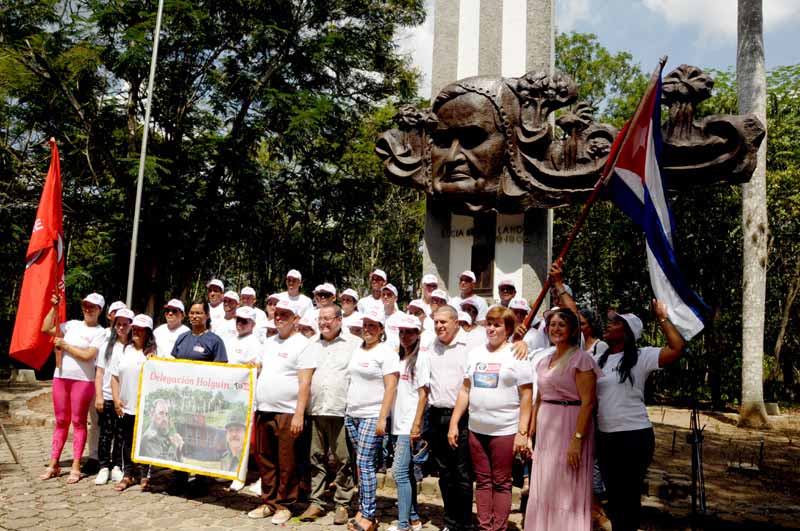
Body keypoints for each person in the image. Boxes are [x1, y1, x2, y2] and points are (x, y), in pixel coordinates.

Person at [595, 302, 685, 531]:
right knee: (614, 498)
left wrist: (663, 318)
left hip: (634, 437)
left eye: (616, 323)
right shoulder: (599, 360)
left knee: (629, 498)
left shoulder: (642, 356)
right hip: (606, 437)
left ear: (626, 333)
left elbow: (676, 349)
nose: (609, 324)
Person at [449, 306, 533, 531]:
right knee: (483, 482)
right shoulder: (475, 353)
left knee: (502, 483)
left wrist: (523, 432)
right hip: (477, 429)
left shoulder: (518, 353)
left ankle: (499, 528)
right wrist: (454, 422)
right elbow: (465, 390)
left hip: (505, 430)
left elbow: (527, 395)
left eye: (498, 325)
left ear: (508, 329)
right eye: (489, 324)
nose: (492, 329)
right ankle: (485, 527)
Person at [524, 307, 601, 531]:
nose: (555, 329)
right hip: (546, 427)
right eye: (552, 325)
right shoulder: (544, 358)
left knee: (566, 485)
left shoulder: (581, 359)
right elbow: (539, 399)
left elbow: (588, 402)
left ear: (572, 329)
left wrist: (577, 439)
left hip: (570, 425)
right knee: (545, 484)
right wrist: (530, 435)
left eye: (561, 325)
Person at [248, 299, 314, 524]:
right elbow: (261, 370)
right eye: (277, 314)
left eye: (285, 314)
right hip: (264, 409)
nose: (279, 318)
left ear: (295, 319)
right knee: (265, 460)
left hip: (287, 412)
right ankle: (269, 502)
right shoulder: (268, 342)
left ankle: (285, 504)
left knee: (287, 461)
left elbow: (305, 382)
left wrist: (299, 413)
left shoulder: (303, 344)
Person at [299, 304, 360, 524]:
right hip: (316, 410)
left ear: (339, 319)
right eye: (320, 319)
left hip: (341, 410)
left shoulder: (354, 344)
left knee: (343, 460)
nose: (324, 323)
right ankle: (316, 502)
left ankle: (342, 504)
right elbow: (305, 378)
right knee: (315, 457)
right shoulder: (311, 344)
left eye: (328, 318)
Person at [40, 292, 108, 484]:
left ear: (100, 311)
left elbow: (88, 356)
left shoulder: (101, 332)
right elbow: (46, 328)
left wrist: (65, 345)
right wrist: (54, 308)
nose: (88, 309)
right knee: (61, 421)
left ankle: (77, 465)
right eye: (85, 306)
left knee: (78, 422)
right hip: (60, 377)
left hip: (83, 381)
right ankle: (54, 464)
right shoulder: (71, 325)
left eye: (92, 307)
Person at [345, 308, 399, 531]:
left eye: (373, 326)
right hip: (353, 414)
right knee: (359, 463)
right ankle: (362, 507)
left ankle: (369, 515)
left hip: (371, 415)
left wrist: (382, 418)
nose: (367, 329)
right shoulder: (358, 349)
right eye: (365, 324)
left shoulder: (386, 353)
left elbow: (391, 387)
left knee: (364, 464)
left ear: (381, 330)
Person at [422, 305, 476, 531]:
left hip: (462, 416)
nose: (439, 326)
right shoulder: (431, 346)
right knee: (444, 473)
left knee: (462, 473)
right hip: (436, 415)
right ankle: (450, 520)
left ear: (456, 322)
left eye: (444, 322)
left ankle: (464, 523)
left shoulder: (471, 345)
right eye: (436, 322)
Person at [389, 313, 430, 531]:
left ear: (418, 334)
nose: (404, 336)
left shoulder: (421, 359)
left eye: (409, 332)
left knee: (399, 473)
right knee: (406, 472)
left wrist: (416, 425)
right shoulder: (399, 358)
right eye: (401, 332)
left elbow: (424, 395)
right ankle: (414, 518)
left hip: (409, 424)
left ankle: (403, 523)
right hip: (397, 422)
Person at [111, 313, 156, 491]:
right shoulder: (123, 350)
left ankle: (146, 475)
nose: (136, 332)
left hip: (146, 408)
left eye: (141, 330)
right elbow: (114, 377)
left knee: (145, 441)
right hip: (126, 406)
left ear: (148, 333)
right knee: (126, 441)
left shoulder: (154, 354)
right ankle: (127, 474)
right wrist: (116, 400)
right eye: (134, 328)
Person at [94, 307, 134, 485]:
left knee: (121, 434)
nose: (121, 327)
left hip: (126, 399)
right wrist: (99, 396)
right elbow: (99, 374)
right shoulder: (106, 347)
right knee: (106, 433)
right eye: (118, 324)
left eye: (125, 324)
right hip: (109, 397)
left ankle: (117, 466)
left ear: (131, 326)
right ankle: (104, 467)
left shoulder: (133, 348)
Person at [382, 284, 404, 348]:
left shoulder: (402, 317)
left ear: (395, 298)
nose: (385, 297)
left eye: (389, 294)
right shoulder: (377, 316)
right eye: (383, 294)